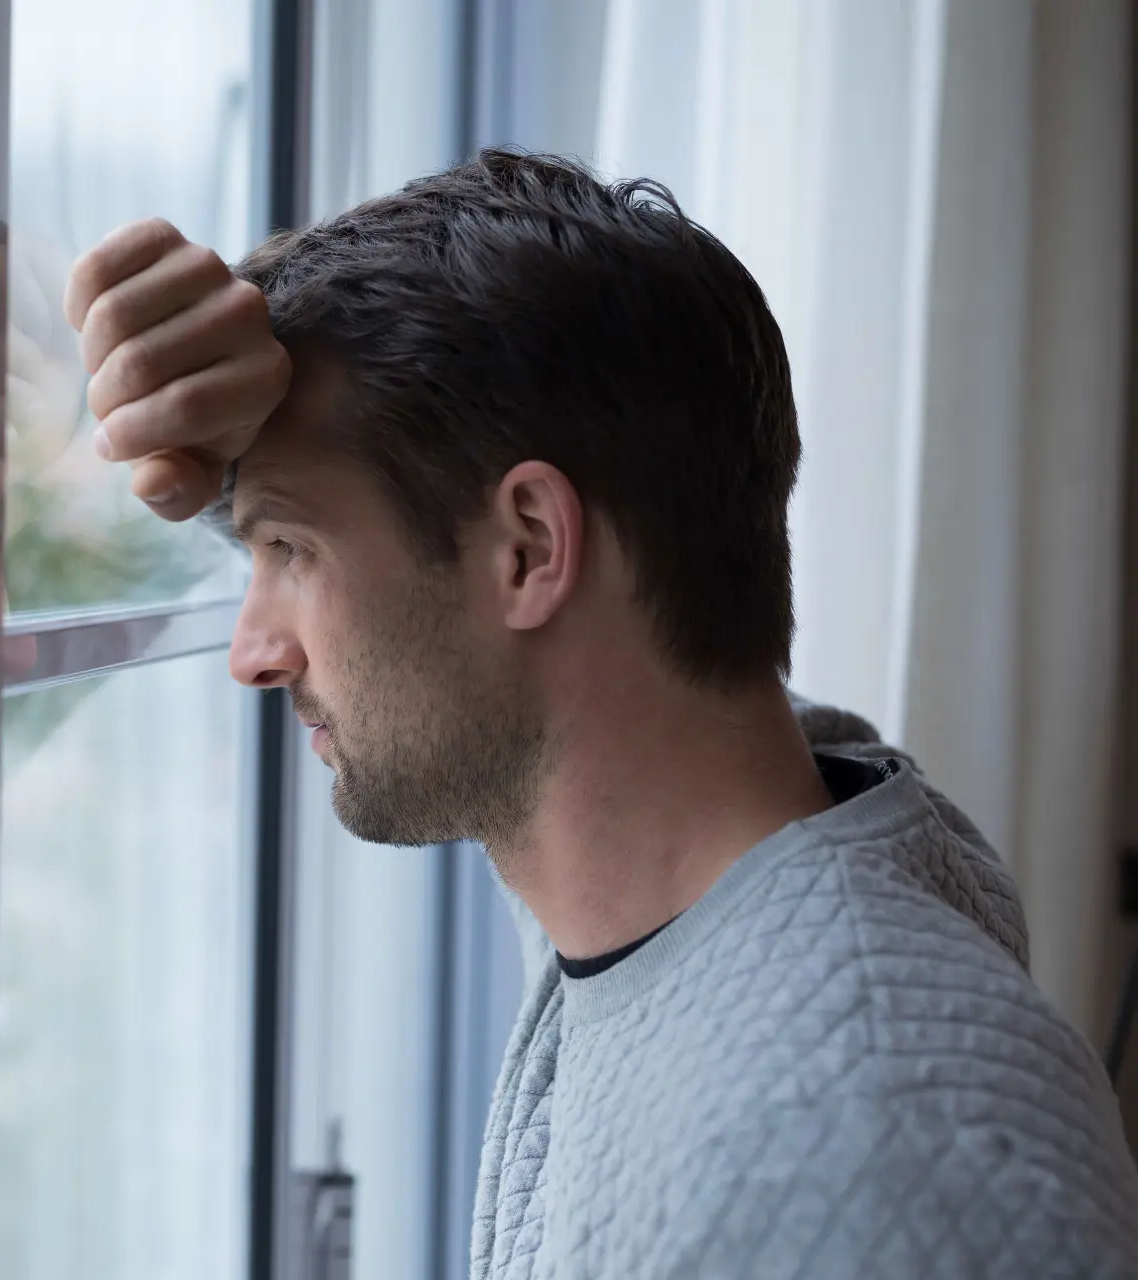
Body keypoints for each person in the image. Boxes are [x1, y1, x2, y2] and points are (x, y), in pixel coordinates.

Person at [65, 148, 1138, 1277]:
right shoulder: (739, 842)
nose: (253, 652)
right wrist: (212, 377)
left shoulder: (868, 1160)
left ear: (530, 546)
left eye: (288, 548)